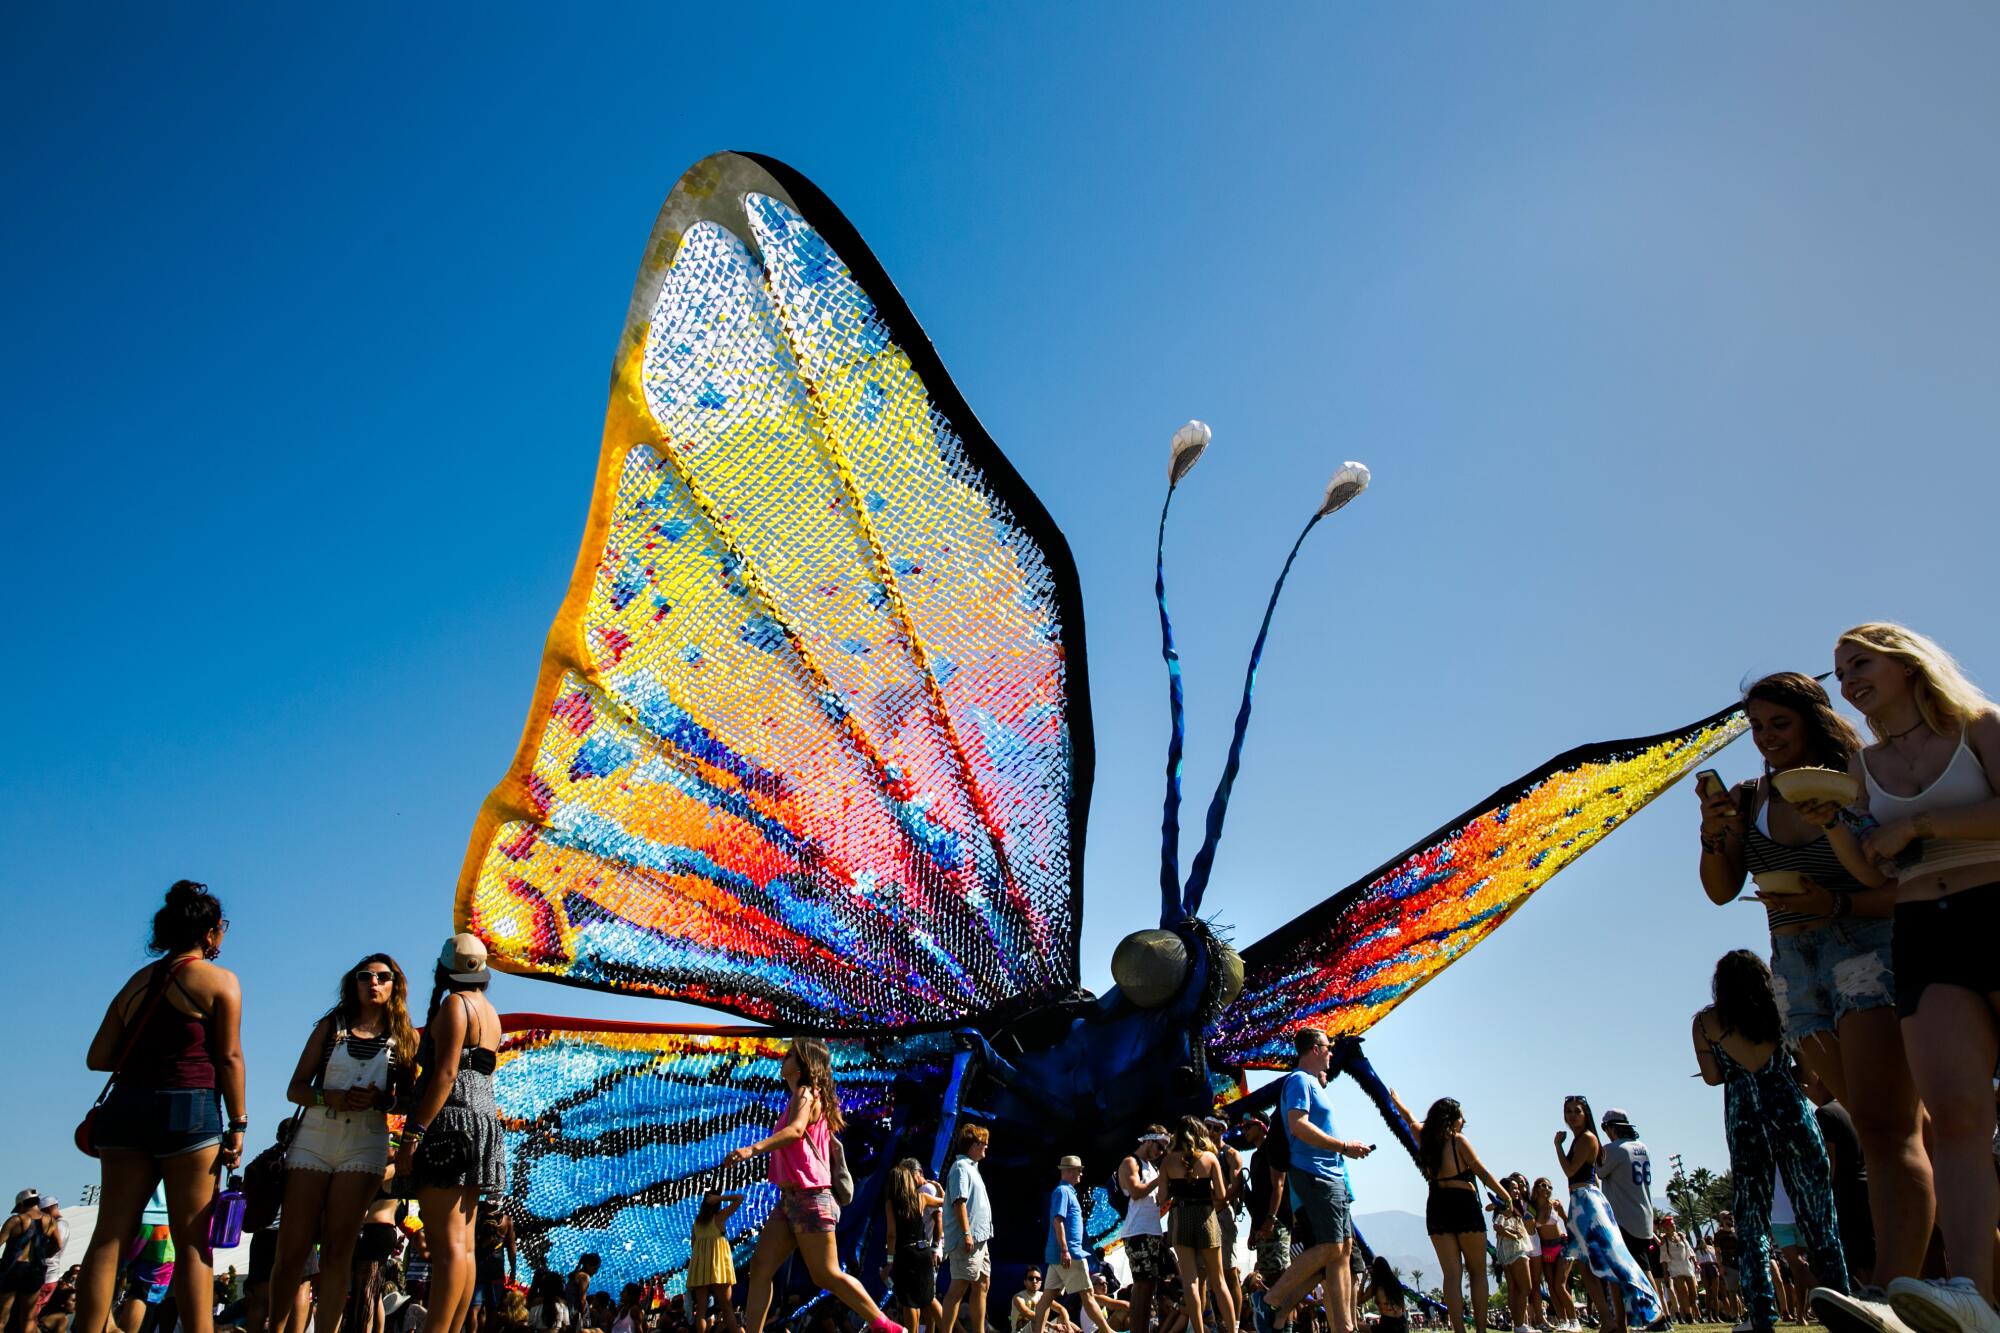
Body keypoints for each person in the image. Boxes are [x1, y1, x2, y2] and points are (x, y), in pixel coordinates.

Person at [1698, 671, 1932, 1325]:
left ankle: (1894, 1289)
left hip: (1868, 950)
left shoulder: (1860, 778)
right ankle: (1955, 1269)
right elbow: (1720, 889)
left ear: (1811, 719)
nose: (1767, 738)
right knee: (1887, 1126)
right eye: (1757, 726)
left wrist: (1831, 901)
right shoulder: (1752, 797)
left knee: (1888, 1132)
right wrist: (1714, 830)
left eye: (1780, 723)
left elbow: (1906, 880)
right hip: (1795, 973)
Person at [1827, 624, 2000, 1333]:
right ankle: (1976, 1298)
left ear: (1905, 661)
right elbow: (1873, 869)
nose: (1848, 680)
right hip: (1923, 927)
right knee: (1955, 1119)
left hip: (1996, 903)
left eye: (1859, 662)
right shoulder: (1864, 767)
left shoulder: (1978, 726)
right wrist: (1837, 824)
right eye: (1840, 671)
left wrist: (1923, 820)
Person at [74, 882, 246, 1333]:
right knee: (193, 1244)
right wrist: (240, 1122)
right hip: (188, 1109)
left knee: (109, 1235)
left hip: (126, 1108)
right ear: (209, 933)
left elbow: (98, 1057)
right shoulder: (220, 981)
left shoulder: (135, 984)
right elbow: (229, 1057)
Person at [1693, 949, 1851, 1331]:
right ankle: (1844, 1304)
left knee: (1752, 1221)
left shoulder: (1706, 1022)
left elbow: (1713, 1077)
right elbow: (1810, 1076)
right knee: (1819, 1216)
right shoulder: (1781, 1012)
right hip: (1788, 1107)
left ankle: (1761, 1313)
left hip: (1744, 1115)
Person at [269, 955, 419, 1333]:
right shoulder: (330, 1026)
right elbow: (295, 1088)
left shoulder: (404, 1037)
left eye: (383, 977)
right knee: (292, 1249)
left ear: (394, 985)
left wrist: (380, 1100)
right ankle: (275, 1327)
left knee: (339, 1250)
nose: (374, 983)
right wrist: (328, 1097)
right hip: (317, 1136)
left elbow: (409, 1099)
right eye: (365, 976)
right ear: (353, 983)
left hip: (365, 1140)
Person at [726, 1037, 902, 1333]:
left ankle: (885, 1325)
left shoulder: (807, 1094)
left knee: (826, 1274)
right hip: (790, 1199)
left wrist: (752, 1150)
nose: (784, 1057)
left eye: (791, 1053)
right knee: (760, 1268)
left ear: (804, 1063)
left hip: (810, 1197)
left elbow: (795, 1132)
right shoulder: (798, 1097)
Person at [395, 934, 507, 1333]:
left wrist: (414, 1133)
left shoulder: (454, 1006)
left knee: (447, 1248)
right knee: (464, 1244)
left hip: (451, 1122)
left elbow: (445, 1074)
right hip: (482, 1121)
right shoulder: (489, 1012)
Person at [1259, 1029, 1374, 1333]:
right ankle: (1269, 1297)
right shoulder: (1299, 1081)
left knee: (1343, 1252)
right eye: (1328, 1047)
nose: (1331, 1052)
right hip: (1315, 1172)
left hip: (1331, 1174)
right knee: (1333, 1248)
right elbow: (1298, 1126)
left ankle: (1344, 1326)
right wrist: (1343, 1147)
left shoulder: (1313, 1084)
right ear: (1313, 1049)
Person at [1554, 1096, 1665, 1333]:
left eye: (1577, 1111)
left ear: (1587, 1115)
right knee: (1586, 1264)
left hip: (1586, 1201)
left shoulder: (1587, 1138)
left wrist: (1557, 1147)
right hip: (1582, 1201)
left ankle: (1649, 1310)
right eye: (1568, 1111)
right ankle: (1609, 1321)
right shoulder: (1594, 1141)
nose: (1572, 1115)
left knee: (1616, 1261)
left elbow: (1570, 1170)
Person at [1402, 1097, 1506, 1333]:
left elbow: (1408, 1119)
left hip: (1437, 1204)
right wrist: (1507, 1198)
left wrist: (1396, 1101)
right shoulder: (1458, 1141)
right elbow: (1483, 1173)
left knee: (1451, 1275)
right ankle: (1480, 1329)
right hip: (1463, 1204)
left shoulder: (1425, 1141)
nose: (1464, 1121)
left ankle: (1459, 1330)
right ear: (1451, 1119)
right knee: (1478, 1271)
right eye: (1460, 1116)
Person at [1160, 1123, 1235, 1333]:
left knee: (1190, 1281)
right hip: (1206, 1215)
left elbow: (1162, 1197)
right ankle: (1232, 1329)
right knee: (1218, 1280)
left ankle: (1199, 1330)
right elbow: (1221, 1195)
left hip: (1181, 1215)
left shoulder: (1168, 1161)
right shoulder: (1211, 1159)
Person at [1033, 1157, 1112, 1333]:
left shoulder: (1066, 1192)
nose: (1081, 1174)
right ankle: (1108, 1331)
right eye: (1078, 1170)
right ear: (1068, 1171)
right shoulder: (1063, 1192)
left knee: (1046, 1298)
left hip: (1059, 1255)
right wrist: (1065, 1250)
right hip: (1070, 1254)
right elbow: (1058, 1220)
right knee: (1088, 1295)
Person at [939, 1125, 994, 1333]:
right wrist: (966, 1233)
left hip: (981, 1238)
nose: (986, 1147)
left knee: (982, 1283)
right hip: (968, 1238)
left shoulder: (972, 1168)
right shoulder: (961, 1168)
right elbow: (959, 1202)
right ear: (973, 1145)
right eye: (982, 1143)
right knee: (959, 1287)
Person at [1117, 1128, 1172, 1333]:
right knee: (1141, 1284)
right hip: (1136, 1232)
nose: (1161, 1152)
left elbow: (1158, 1200)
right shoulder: (1130, 1162)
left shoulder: (1154, 1168)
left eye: (1164, 1149)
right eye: (1159, 1147)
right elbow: (1136, 1191)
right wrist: (1161, 1177)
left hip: (1152, 1231)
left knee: (1150, 1285)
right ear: (1148, 1141)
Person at [1596, 1111, 1658, 1289]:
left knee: (1633, 1268)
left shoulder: (1615, 1149)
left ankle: (1655, 1311)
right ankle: (1659, 1310)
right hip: (1644, 1214)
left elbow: (1600, 1172)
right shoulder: (1642, 1147)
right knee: (1643, 1265)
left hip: (1624, 1216)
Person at [884, 1161, 940, 1333]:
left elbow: (892, 1235)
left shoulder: (891, 1203)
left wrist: (890, 1261)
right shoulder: (921, 1198)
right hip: (923, 1252)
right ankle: (949, 1328)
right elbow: (944, 1202)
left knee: (909, 1301)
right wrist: (939, 1188)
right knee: (929, 1297)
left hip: (905, 1253)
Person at [1203, 1117, 1247, 1321]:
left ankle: (1235, 1324)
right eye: (1208, 1127)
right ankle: (1215, 1321)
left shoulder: (1230, 1154)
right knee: (1206, 1275)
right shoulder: (1199, 1153)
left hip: (1222, 1216)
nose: (1211, 1132)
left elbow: (1235, 1189)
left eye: (1217, 1128)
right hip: (1203, 1217)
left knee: (1229, 1272)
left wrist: (1216, 1195)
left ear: (1223, 1131)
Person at [1243, 1119, 1293, 1293]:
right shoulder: (1255, 1156)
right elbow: (1258, 1197)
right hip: (1261, 1225)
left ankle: (1287, 1320)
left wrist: (1271, 1218)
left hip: (1277, 1223)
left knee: (1281, 1274)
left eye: (1248, 1126)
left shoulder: (1274, 1147)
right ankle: (1274, 1319)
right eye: (1243, 1127)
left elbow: (1278, 1185)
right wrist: (1253, 1229)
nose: (1245, 1130)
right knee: (1266, 1276)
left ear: (1261, 1126)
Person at [687, 1187, 741, 1333]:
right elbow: (740, 1198)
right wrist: (719, 1199)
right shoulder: (719, 1217)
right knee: (727, 1308)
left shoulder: (697, 1224)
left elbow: (693, 1246)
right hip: (719, 1269)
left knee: (701, 1311)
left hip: (701, 1270)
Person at [0, 1194, 56, 1333]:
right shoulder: (50, 1221)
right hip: (34, 1270)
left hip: (12, 1269)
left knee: (2, 1316)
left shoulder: (16, 1220)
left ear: (22, 1205)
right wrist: (44, 1255)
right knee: (28, 1317)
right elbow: (57, 1245)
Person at [1531, 1179, 1578, 1332]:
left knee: (1560, 1285)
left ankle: (1574, 1321)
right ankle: (1563, 1321)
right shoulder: (1532, 1207)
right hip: (1544, 1249)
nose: (1547, 1188)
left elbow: (1567, 1220)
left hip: (1561, 1246)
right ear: (1536, 1188)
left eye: (1550, 1186)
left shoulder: (1555, 1204)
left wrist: (1573, 1237)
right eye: (1544, 1185)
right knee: (1551, 1287)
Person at [469, 1203, 517, 1333]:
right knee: (492, 1309)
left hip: (478, 1268)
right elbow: (512, 1248)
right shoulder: (506, 1221)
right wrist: (513, 1270)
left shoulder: (477, 1218)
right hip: (496, 1270)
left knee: (474, 1309)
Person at [1654, 1216, 1696, 1324]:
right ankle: (1689, 1317)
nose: (1674, 1225)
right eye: (1671, 1224)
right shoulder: (1664, 1240)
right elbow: (1663, 1258)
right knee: (1683, 1292)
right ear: (1666, 1227)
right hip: (1674, 1269)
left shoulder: (1681, 1236)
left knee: (1693, 1293)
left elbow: (1689, 1250)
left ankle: (1685, 1311)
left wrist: (1695, 1262)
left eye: (1674, 1224)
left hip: (1687, 1266)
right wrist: (1665, 1274)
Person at [1364, 1258, 1406, 1333]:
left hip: (1388, 1324)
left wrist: (1364, 1279)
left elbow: (1360, 1300)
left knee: (1359, 1326)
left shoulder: (1376, 1286)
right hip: (1402, 1322)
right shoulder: (1397, 1283)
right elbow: (1403, 1308)